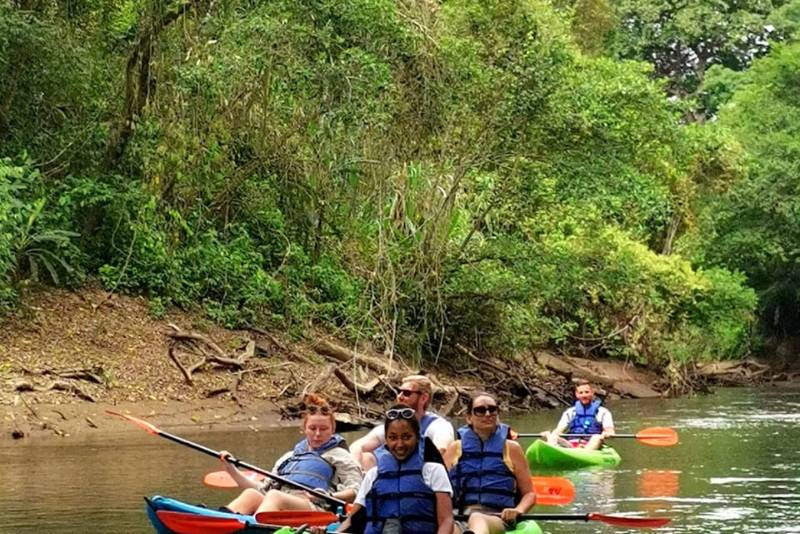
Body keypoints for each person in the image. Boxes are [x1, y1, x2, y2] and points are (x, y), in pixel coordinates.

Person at [219, 394, 362, 515]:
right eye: (312, 428)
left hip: (315, 508)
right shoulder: (288, 458)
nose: (317, 434)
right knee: (251, 494)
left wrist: (330, 496)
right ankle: (221, 522)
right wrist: (230, 468)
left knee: (274, 497)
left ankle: (253, 527)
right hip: (278, 503)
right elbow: (261, 489)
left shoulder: (340, 456)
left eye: (323, 429)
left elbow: (356, 491)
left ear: (333, 430)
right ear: (304, 429)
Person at [333, 405, 454, 534]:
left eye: (406, 437)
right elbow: (351, 521)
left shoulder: (434, 471)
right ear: (386, 439)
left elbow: (446, 520)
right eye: (393, 438)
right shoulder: (373, 475)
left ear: (418, 437)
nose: (400, 444)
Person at [444, 392, 536, 534]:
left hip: (497, 517)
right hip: (460, 517)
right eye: (480, 410)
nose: (488, 414)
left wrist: (518, 510)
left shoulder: (511, 448)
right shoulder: (455, 448)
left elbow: (529, 494)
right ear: (469, 417)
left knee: (477, 518)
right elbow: (439, 490)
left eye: (492, 409)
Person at [350, 374, 455, 470]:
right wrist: (356, 467)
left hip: (423, 478)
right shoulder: (392, 426)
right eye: (399, 392)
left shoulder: (438, 426)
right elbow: (356, 446)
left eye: (407, 393)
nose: (400, 397)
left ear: (424, 398)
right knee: (366, 457)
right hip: (393, 479)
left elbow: (442, 448)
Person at [543, 379, 615, 451]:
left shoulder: (603, 412)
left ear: (592, 393)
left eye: (586, 392)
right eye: (581, 393)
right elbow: (559, 430)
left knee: (597, 437)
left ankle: (585, 455)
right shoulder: (570, 412)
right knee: (553, 436)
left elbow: (610, 430)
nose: (584, 395)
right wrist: (550, 435)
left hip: (592, 445)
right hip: (571, 445)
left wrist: (607, 434)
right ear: (577, 394)